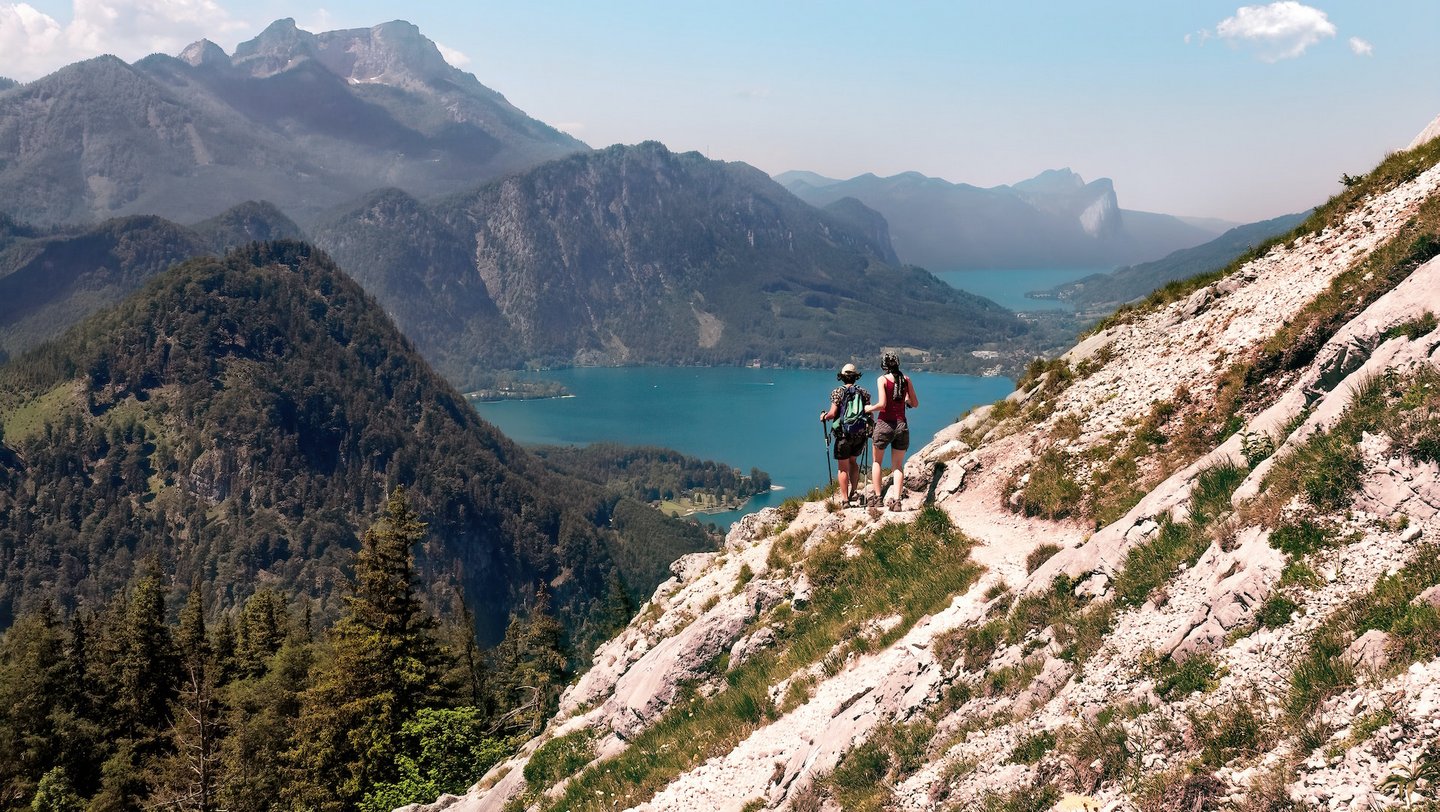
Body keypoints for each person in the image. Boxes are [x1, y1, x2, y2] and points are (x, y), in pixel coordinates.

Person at [867, 352, 919, 509]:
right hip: (901, 425)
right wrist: (905, 400)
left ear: (884, 365)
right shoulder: (906, 380)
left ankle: (877, 499)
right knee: (897, 466)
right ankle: (897, 502)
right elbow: (915, 403)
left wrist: (869, 408)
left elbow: (882, 404)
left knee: (877, 462)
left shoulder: (882, 380)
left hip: (884, 424)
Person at [820, 363, 871, 507]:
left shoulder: (837, 392)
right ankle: (854, 491)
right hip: (859, 434)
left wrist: (823, 416)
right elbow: (868, 413)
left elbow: (833, 414)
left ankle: (845, 499)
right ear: (856, 377)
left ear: (842, 377)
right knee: (853, 462)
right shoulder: (864, 392)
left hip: (843, 434)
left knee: (842, 468)